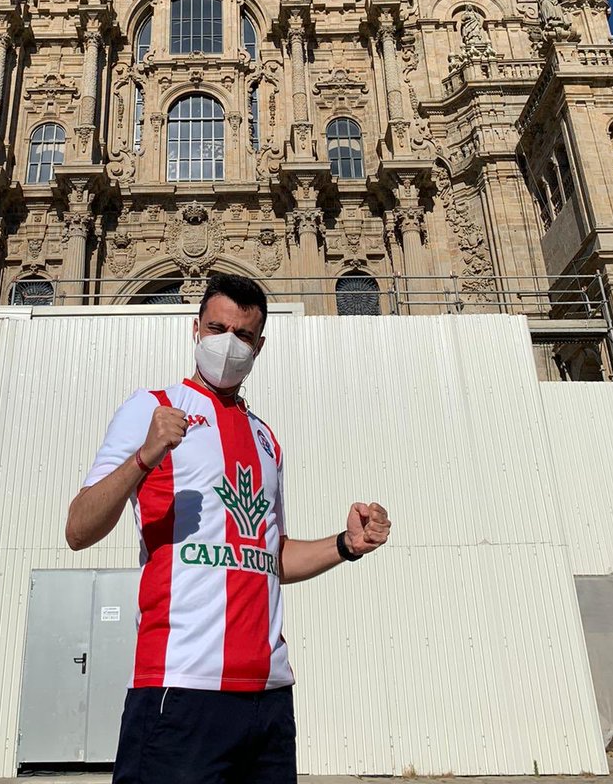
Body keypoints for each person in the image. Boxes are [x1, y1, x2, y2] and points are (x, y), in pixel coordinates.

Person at [65, 273, 391, 784]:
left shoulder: (267, 440)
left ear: (259, 345)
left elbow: (270, 557)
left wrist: (346, 545)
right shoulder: (151, 408)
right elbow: (78, 528)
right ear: (195, 329)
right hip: (181, 687)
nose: (227, 344)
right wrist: (144, 457)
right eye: (217, 328)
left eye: (242, 335)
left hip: (268, 696)